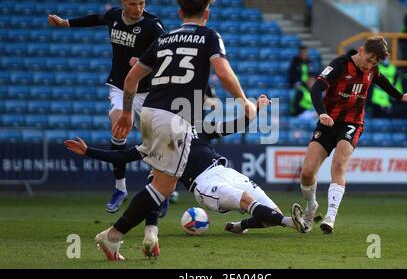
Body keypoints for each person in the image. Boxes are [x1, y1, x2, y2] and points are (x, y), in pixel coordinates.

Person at [94, 0, 258, 260]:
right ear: (207, 13)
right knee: (163, 188)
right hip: (176, 119)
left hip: (148, 113)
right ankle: (112, 235)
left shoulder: (164, 37)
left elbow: (131, 78)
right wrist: (244, 101)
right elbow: (222, 70)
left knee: (158, 183)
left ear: (180, 12)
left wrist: (125, 112)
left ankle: (129, 235)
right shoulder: (209, 36)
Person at [65, 95, 306, 260]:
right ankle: (291, 223)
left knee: (268, 213)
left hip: (226, 171)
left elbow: (234, 126)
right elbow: (121, 157)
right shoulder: (153, 144)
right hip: (204, 183)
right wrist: (88, 151)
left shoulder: (198, 128)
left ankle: (239, 225)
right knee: (246, 201)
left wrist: (256, 111)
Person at [48, 0, 165, 213]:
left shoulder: (153, 25)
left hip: (147, 91)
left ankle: (159, 192)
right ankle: (120, 187)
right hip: (119, 86)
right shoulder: (113, 16)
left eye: (142, 3)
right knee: (117, 122)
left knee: (154, 143)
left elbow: (165, 51)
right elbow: (94, 19)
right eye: (133, 4)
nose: (138, 8)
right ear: (123, 2)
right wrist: (66, 23)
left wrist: (145, 60)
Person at [298, 35, 407, 234]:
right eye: (369, 59)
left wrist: (400, 96)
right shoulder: (340, 64)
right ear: (361, 50)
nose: (370, 65)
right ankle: (311, 207)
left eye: (375, 63)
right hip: (327, 121)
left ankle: (330, 217)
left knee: (339, 163)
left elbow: (382, 81)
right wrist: (322, 113)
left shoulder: (372, 69)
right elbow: (316, 88)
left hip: (352, 122)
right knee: (307, 173)